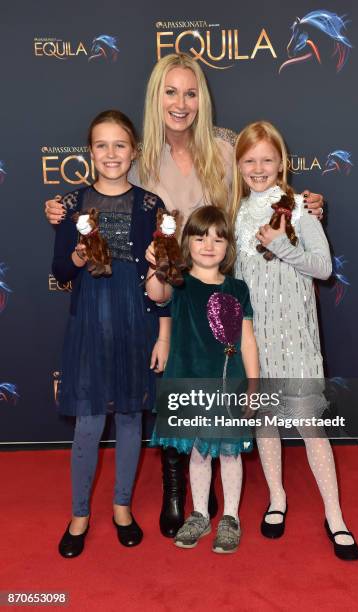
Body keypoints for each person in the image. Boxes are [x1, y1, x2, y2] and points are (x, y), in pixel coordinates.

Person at [44, 52, 325, 538]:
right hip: (165, 291)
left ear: (202, 99)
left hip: (220, 286)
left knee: (219, 377)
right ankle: (178, 484)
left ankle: (215, 472)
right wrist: (64, 206)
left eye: (190, 92)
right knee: (174, 384)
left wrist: (303, 202)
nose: (181, 102)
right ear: (157, 97)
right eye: (171, 92)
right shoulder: (139, 153)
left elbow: (264, 185)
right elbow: (105, 191)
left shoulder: (223, 146)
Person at [231, 121, 358, 560]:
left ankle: (335, 515)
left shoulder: (302, 208)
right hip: (258, 339)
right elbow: (235, 280)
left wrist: (282, 245)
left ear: (281, 162)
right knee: (266, 422)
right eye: (250, 160)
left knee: (310, 426)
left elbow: (323, 268)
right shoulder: (237, 215)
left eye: (267, 159)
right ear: (239, 164)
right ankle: (277, 499)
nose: (259, 168)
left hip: (299, 338)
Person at [52, 110, 170, 558]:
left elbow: (163, 275)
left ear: (134, 150)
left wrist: (161, 333)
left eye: (120, 145)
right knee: (88, 420)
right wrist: (79, 257)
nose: (111, 154)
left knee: (128, 418)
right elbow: (59, 269)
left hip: (133, 317)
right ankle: (79, 512)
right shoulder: (70, 204)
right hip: (89, 320)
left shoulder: (150, 205)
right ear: (90, 152)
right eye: (102, 145)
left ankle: (122, 506)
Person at [145, 206, 259, 553]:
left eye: (218, 238)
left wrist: (254, 384)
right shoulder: (178, 284)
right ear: (186, 242)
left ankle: (231, 517)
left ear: (228, 246)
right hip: (186, 383)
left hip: (228, 384)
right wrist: (156, 264)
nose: (209, 245)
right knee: (196, 453)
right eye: (200, 237)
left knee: (229, 455)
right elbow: (155, 294)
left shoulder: (238, 288)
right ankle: (198, 514)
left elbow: (247, 339)